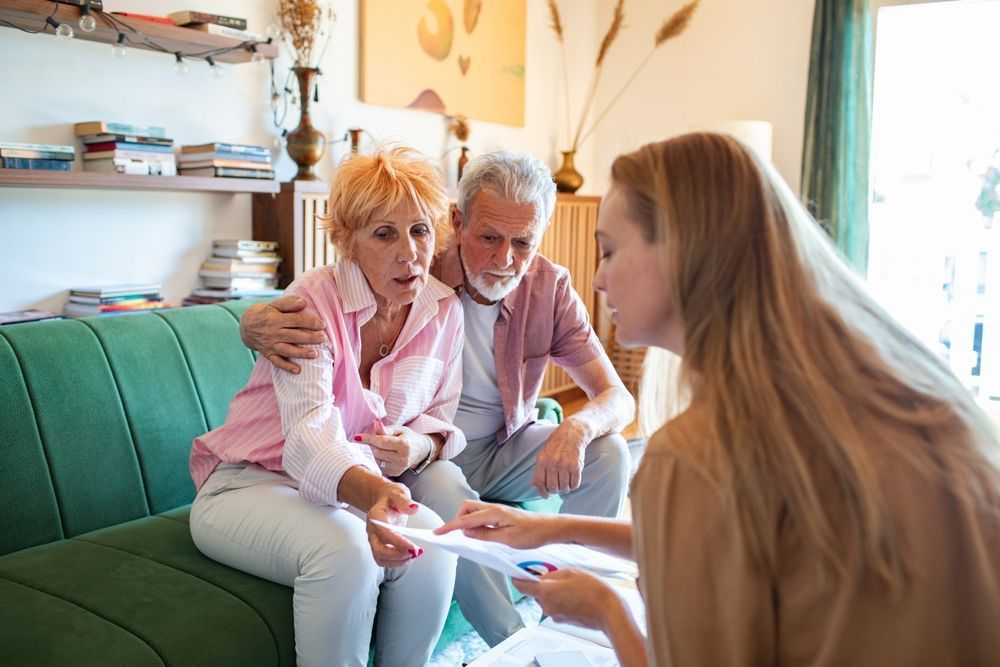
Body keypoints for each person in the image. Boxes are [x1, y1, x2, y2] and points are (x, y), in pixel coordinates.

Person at [437, 132, 1000, 665]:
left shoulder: (694, 452)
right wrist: (555, 528)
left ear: (683, 255)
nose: (599, 280)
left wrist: (607, 610)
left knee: (606, 451)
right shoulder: (876, 389)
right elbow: (742, 540)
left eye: (608, 252)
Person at [240, 150, 636, 646]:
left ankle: (571, 626)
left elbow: (617, 397)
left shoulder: (548, 288)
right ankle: (515, 642)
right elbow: (337, 281)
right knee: (445, 483)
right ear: (457, 222)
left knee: (609, 450)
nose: (504, 259)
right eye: (489, 237)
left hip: (493, 444)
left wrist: (577, 427)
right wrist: (249, 321)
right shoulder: (418, 265)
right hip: (421, 457)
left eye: (523, 243)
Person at [188, 146, 468, 667]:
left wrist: (419, 447)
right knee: (347, 552)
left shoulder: (443, 309)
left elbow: (440, 415)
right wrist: (379, 495)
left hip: (343, 492)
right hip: (247, 485)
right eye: (384, 234)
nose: (409, 252)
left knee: (432, 541)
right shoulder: (311, 303)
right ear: (348, 242)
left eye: (420, 230)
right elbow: (309, 437)